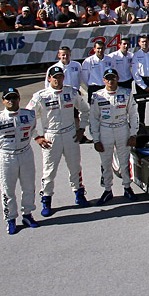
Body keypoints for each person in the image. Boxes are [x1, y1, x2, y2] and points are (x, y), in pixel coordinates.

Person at [30, 65, 91, 216]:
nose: (57, 80)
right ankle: (46, 200)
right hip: (51, 137)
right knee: (49, 171)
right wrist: (36, 136)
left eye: (60, 77)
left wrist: (82, 129)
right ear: (49, 78)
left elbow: (85, 110)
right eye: (54, 77)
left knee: (75, 167)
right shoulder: (41, 96)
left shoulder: (71, 92)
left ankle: (79, 194)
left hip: (70, 134)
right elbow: (27, 117)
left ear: (63, 77)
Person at [0, 88, 40, 234]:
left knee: (28, 186)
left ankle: (27, 215)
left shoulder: (29, 115)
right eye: (8, 98)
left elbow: (33, 130)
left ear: (19, 99)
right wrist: (2, 154)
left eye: (14, 97)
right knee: (7, 190)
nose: (11, 101)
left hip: (25, 153)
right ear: (3, 100)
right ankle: (10, 219)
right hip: (6, 157)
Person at [90, 69, 138, 205]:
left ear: (118, 78)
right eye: (108, 78)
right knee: (106, 162)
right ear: (104, 80)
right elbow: (93, 119)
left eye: (113, 78)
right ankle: (107, 190)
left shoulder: (126, 93)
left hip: (122, 128)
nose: (110, 81)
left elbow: (133, 114)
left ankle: (127, 187)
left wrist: (133, 133)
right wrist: (96, 139)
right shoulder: (97, 96)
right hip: (105, 130)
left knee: (124, 159)